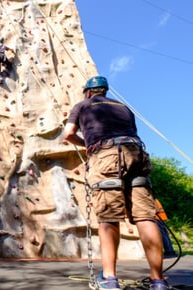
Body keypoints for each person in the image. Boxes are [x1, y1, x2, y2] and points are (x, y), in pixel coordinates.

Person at [63, 76, 169, 290]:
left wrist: (87, 145)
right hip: (136, 153)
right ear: (105, 90)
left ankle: (109, 278)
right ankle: (158, 280)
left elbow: (68, 133)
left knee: (109, 217)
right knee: (145, 217)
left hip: (106, 154)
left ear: (89, 92)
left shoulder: (83, 105)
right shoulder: (123, 107)